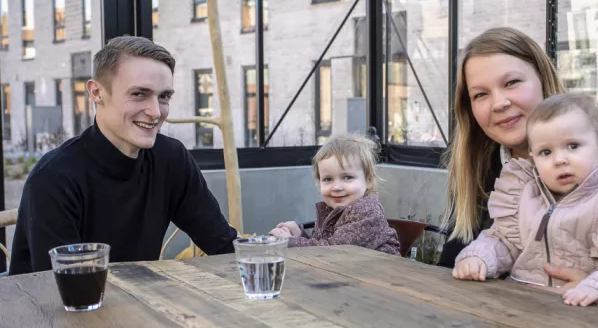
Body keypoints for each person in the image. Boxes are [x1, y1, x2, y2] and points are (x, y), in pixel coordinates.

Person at [439, 27, 598, 325]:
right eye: (480, 94)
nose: (498, 103)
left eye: (511, 82)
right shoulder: (482, 163)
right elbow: (457, 257)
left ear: (542, 77)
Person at [9, 36, 238, 275]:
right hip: (48, 309)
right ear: (96, 92)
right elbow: (63, 293)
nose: (155, 112)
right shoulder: (54, 178)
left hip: (134, 304)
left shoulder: (171, 159)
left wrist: (273, 246)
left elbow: (223, 246)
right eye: (139, 94)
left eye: (164, 96)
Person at [452, 93, 598, 309]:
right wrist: (479, 258)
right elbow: (503, 241)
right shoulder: (526, 194)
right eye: (546, 152)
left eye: (573, 146)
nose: (559, 160)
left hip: (583, 308)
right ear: (532, 157)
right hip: (520, 305)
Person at [269, 134, 400, 256]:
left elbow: (334, 251)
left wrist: (289, 242)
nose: (337, 187)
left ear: (368, 180)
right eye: (327, 179)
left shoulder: (366, 210)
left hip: (384, 277)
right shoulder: (333, 210)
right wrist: (299, 235)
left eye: (347, 177)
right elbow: (322, 246)